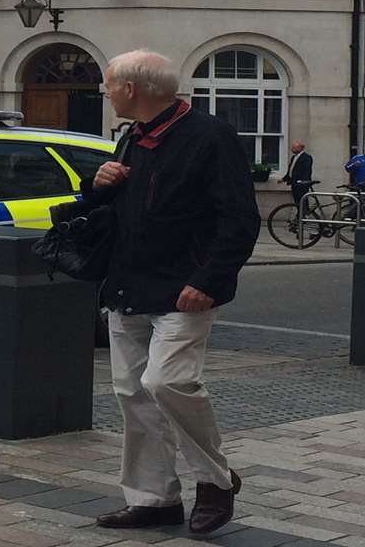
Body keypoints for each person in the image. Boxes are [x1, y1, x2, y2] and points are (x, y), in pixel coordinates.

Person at [67, 50, 258, 537]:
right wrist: (98, 184)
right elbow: (112, 209)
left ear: (131, 89)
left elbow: (239, 219)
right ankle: (153, 500)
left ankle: (216, 481)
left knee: (167, 383)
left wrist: (209, 280)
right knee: (133, 394)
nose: (106, 94)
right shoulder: (132, 136)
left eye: (109, 86)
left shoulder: (211, 137)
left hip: (183, 289)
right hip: (127, 283)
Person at [278, 141, 314, 209]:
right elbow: (291, 171)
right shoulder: (294, 157)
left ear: (301, 148)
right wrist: (284, 179)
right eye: (292, 147)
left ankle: (304, 216)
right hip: (294, 183)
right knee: (297, 202)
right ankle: (300, 216)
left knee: (302, 202)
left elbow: (307, 171)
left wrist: (303, 182)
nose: (292, 149)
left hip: (301, 184)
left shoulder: (306, 157)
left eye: (295, 147)